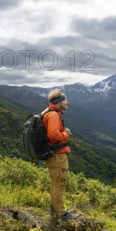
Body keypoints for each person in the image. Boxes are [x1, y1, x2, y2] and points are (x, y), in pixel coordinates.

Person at [43, 88, 73, 220]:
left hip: (52, 155)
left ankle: (55, 207)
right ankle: (61, 213)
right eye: (65, 100)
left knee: (55, 182)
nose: (67, 102)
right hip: (57, 156)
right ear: (59, 102)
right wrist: (66, 134)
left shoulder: (47, 112)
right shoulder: (54, 115)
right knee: (60, 183)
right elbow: (53, 134)